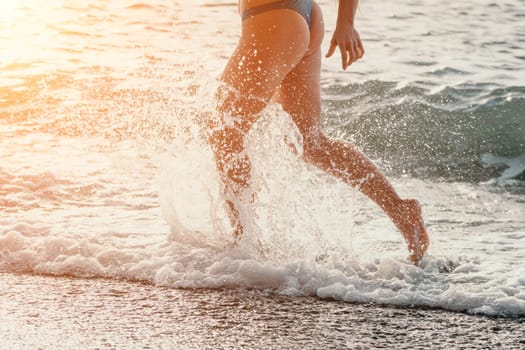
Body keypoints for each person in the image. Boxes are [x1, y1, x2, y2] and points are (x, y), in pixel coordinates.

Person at [207, 0, 429, 264]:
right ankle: (399, 209)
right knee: (309, 143)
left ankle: (244, 243)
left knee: (225, 133)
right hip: (300, 18)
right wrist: (344, 23)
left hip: (274, 19)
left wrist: (346, 24)